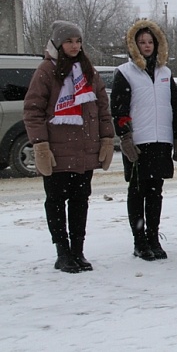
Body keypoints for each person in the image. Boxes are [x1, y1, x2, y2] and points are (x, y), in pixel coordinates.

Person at [23, 20, 114, 273]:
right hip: (57, 152)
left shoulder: (88, 70)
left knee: (80, 201)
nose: (74, 46)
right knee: (55, 201)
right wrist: (40, 146)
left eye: (78, 41)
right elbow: (33, 111)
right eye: (69, 41)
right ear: (57, 43)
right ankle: (62, 252)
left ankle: (78, 251)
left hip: (85, 150)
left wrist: (106, 139)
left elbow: (103, 109)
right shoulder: (45, 71)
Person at [112, 19, 177, 261]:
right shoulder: (125, 72)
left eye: (150, 41)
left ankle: (153, 237)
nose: (146, 45)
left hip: (161, 140)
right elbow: (119, 109)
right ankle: (139, 241)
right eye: (141, 42)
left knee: (155, 193)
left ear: (157, 44)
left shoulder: (166, 73)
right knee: (137, 192)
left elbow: (175, 105)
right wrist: (126, 137)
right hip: (139, 143)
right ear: (134, 45)